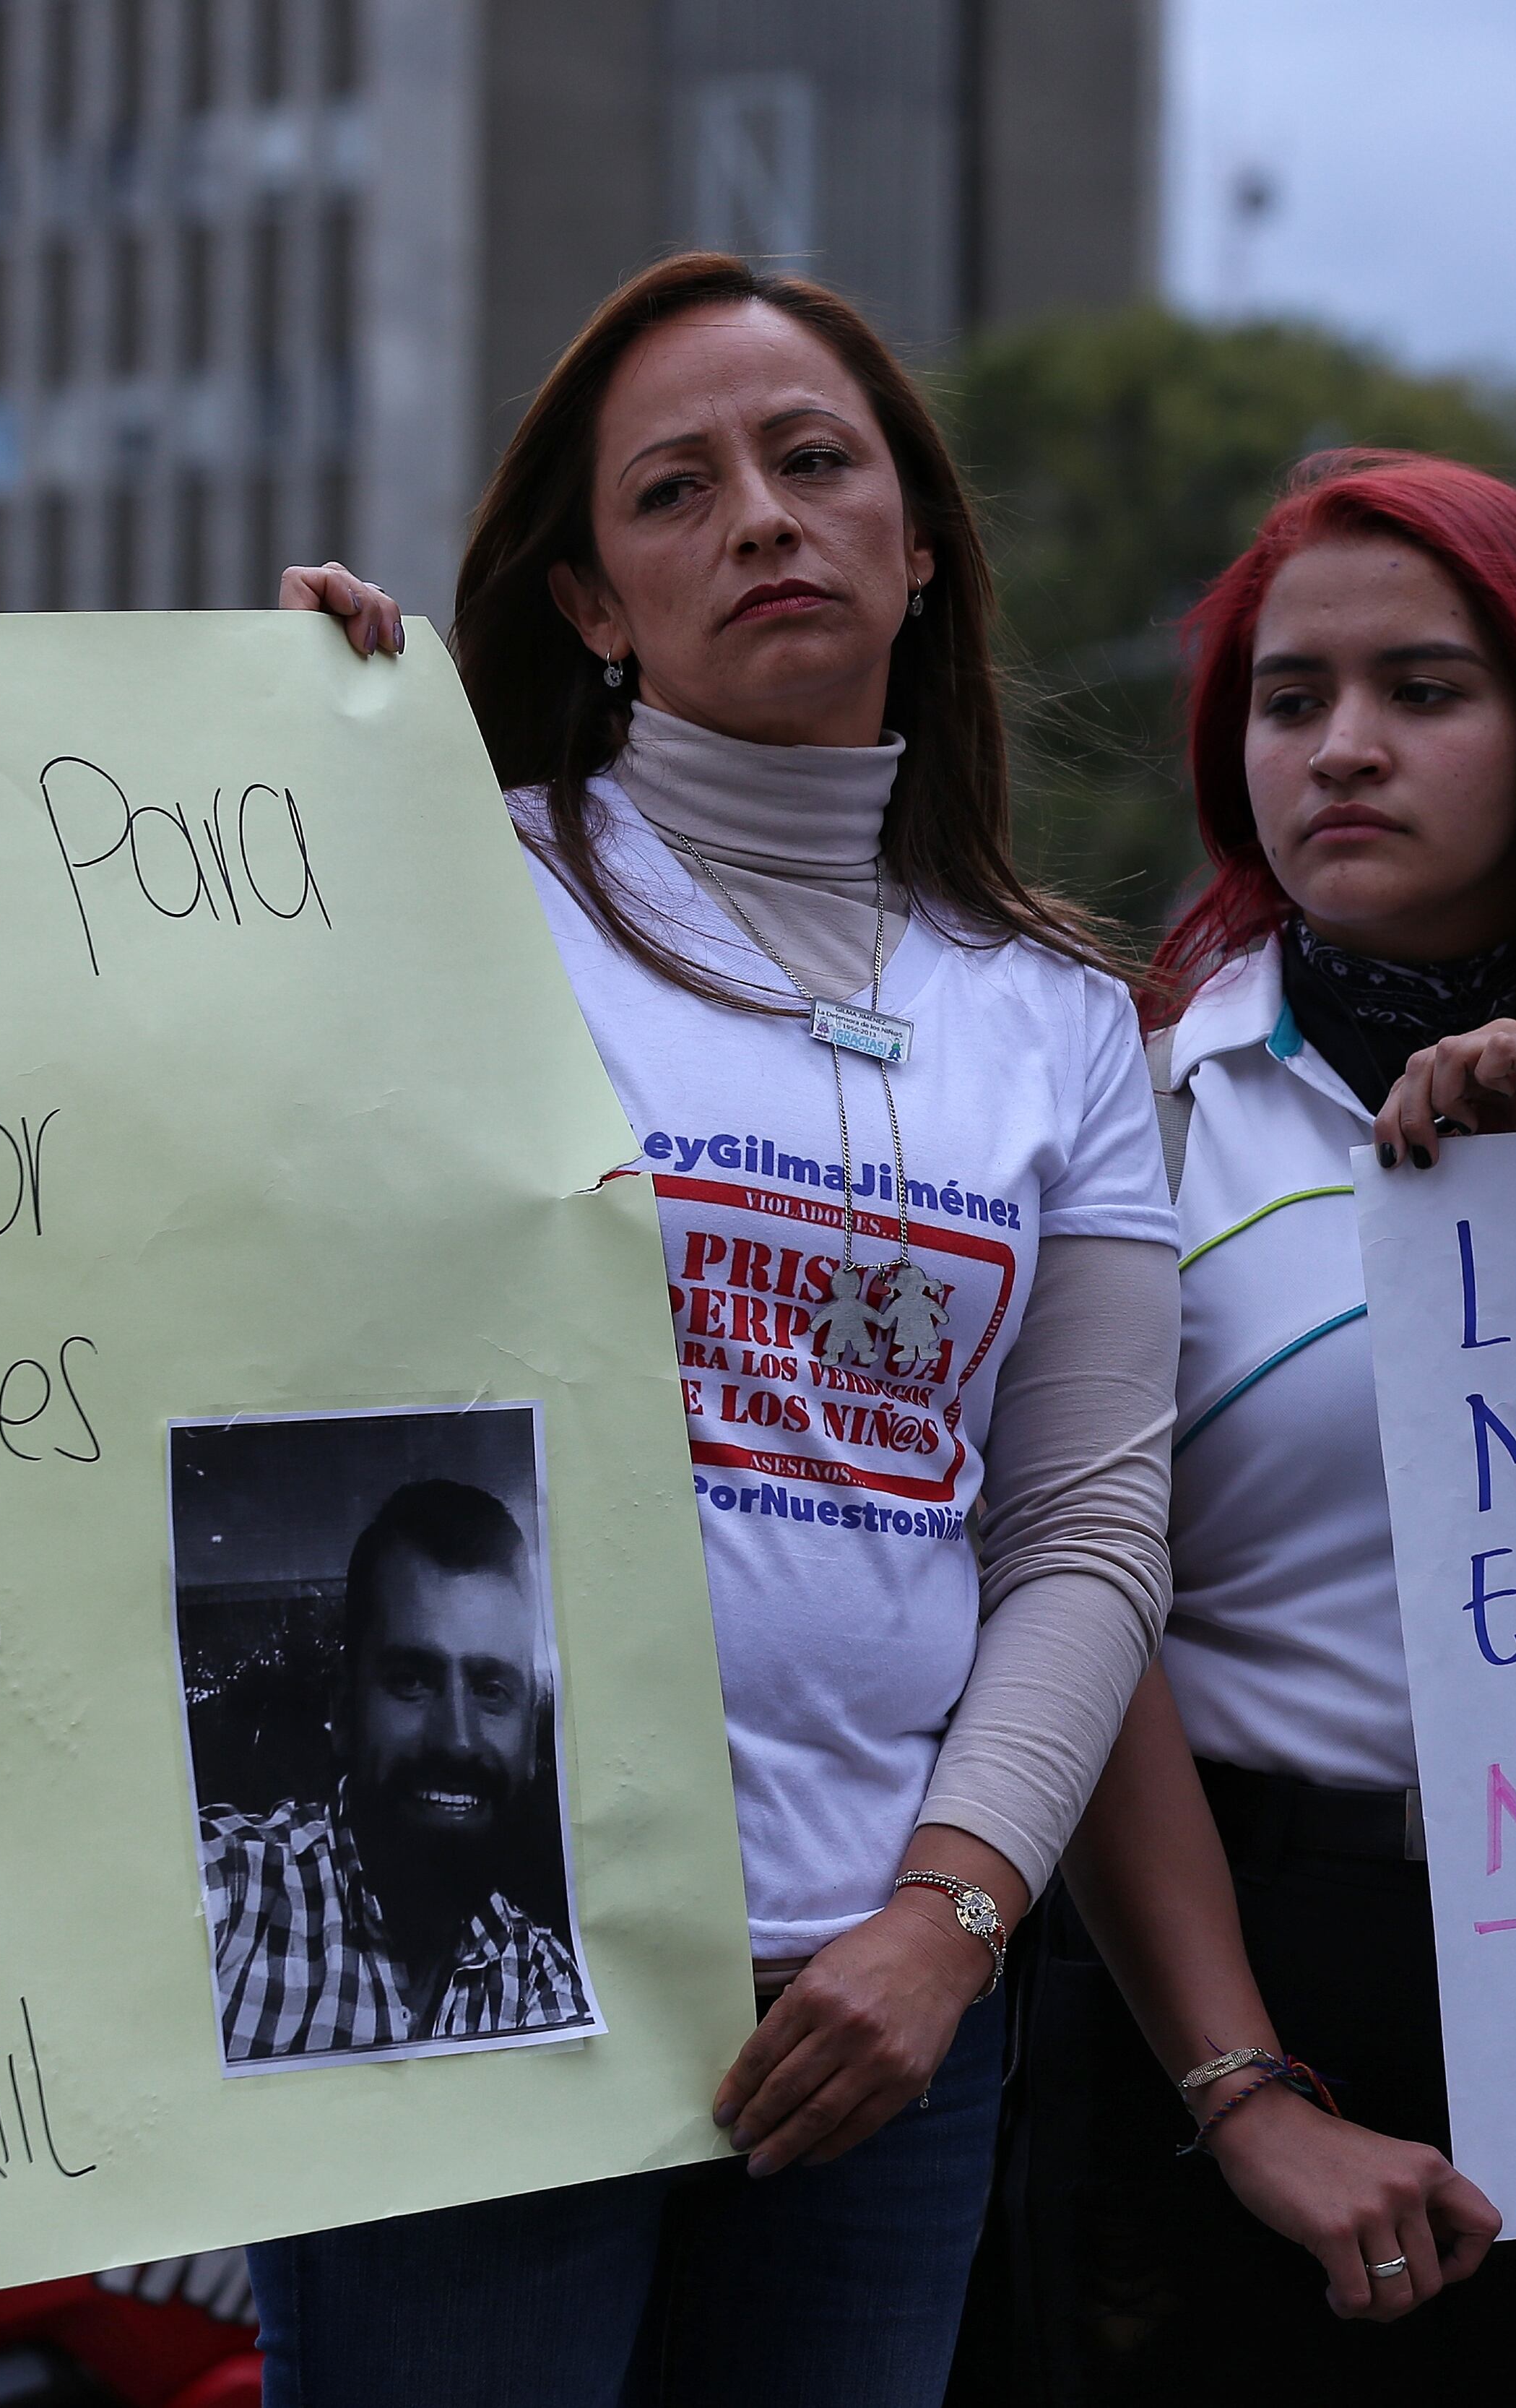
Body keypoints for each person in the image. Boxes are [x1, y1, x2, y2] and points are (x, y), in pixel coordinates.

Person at [262, 254, 1176, 2404]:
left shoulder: (1054, 1022)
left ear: (919, 546)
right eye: (673, 491)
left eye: (813, 461)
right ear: (588, 602)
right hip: (472, 1982)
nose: (759, 516)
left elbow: (1085, 1529)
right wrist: (266, 777)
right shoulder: (441, 892)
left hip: (880, 2026)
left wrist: (943, 1927)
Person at [965, 452, 1516, 2408]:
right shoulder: (1135, 1097)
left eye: (1424, 690)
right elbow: (1070, 1598)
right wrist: (1241, 2081)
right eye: (1291, 702)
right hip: (1237, 1959)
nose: (1345, 748)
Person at [199, 1478, 591, 2063]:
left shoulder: (546, 1982)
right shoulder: (229, 1891)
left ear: (531, 1737)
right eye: (411, 1679)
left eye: (491, 1689)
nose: (457, 1740)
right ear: (343, 1709)